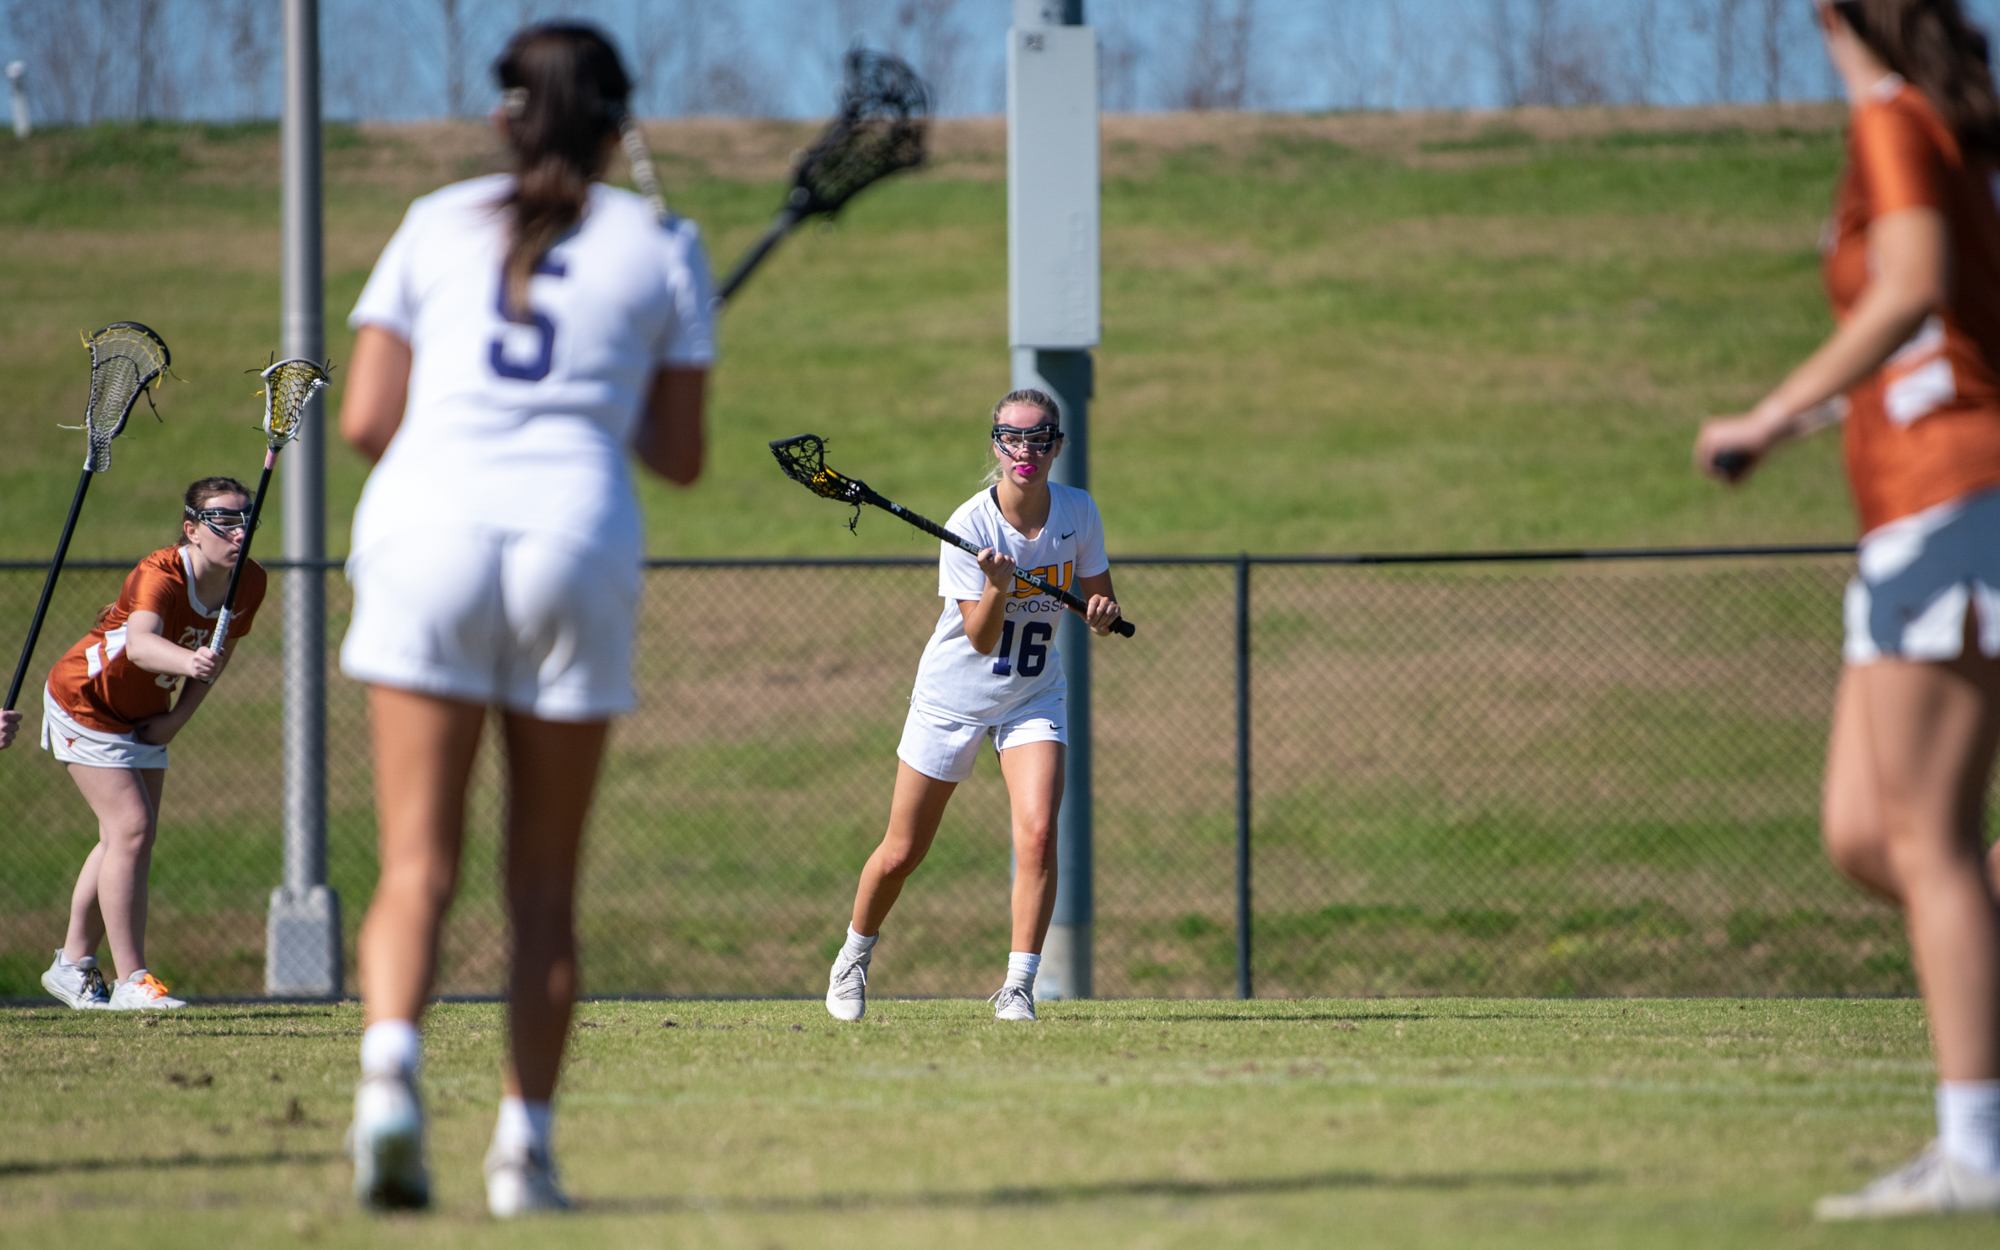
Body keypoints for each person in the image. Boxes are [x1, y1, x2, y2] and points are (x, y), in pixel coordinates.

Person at [335, 22, 712, 1218]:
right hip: (573, 537)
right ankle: (521, 1153)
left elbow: (364, 419)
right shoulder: (661, 243)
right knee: (541, 881)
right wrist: (618, 391)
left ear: (506, 116)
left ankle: (389, 1083)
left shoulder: (435, 221)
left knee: (415, 864)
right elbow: (681, 455)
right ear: (615, 125)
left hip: (426, 527)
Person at [1696, 0, 2000, 1220]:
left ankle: (1973, 1147)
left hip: (1948, 496)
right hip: (1911, 505)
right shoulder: (1953, 130)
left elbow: (1912, 289)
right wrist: (1826, 415)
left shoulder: (1890, 116)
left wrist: (1764, 413)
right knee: (1863, 835)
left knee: (1924, 837)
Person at [824, 390, 1123, 1025]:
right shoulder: (970, 527)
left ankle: (1018, 987)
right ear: (996, 445)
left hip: (1034, 694)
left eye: (1040, 438)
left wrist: (1102, 614)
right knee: (903, 851)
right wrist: (996, 585)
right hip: (953, 700)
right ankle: (852, 957)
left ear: (1057, 447)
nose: (1026, 450)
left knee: (1039, 835)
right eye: (1013, 438)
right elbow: (983, 638)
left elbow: (1098, 601)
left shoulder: (1079, 511)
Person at [36, 477, 264, 1012]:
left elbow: (220, 652)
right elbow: (139, 646)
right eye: (224, 520)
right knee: (130, 830)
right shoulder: (159, 572)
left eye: (246, 518)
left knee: (126, 839)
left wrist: (177, 718)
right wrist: (188, 662)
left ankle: (71, 965)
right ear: (192, 530)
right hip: (87, 700)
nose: (239, 531)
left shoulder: (248, 581)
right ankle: (132, 980)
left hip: (145, 714)